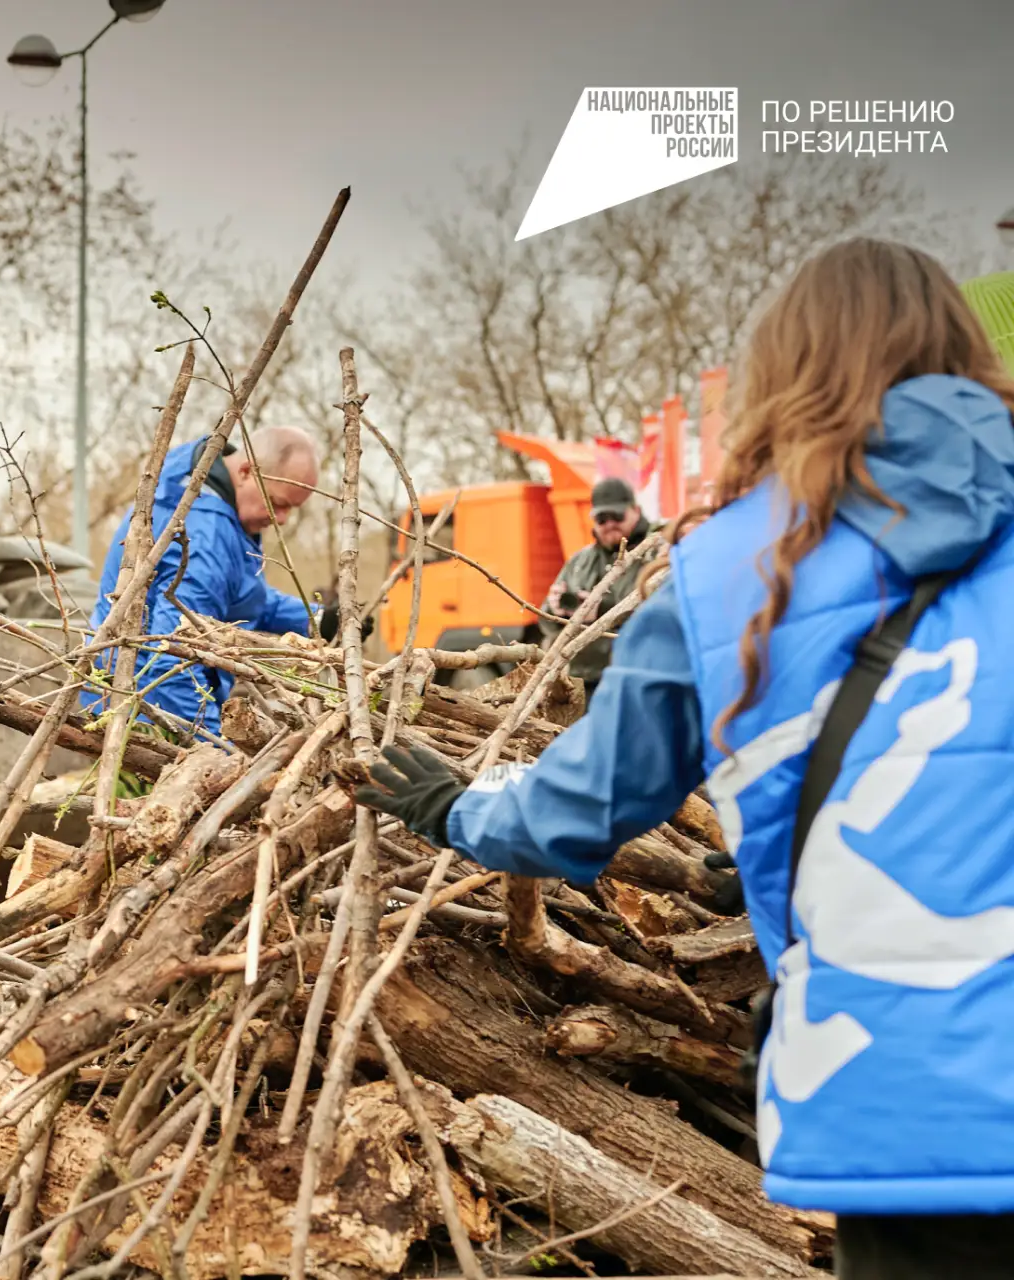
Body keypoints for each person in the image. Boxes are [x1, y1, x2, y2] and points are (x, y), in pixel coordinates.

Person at [353, 238, 1014, 1278]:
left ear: (788, 373)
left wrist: (452, 807)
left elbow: (577, 810)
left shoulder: (731, 567)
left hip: (903, 1109)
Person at [85, 426, 331, 738]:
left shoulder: (208, 493)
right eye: (277, 503)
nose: (282, 518)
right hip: (142, 710)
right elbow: (171, 659)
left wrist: (317, 619)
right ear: (246, 471)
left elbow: (239, 596)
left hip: (130, 694)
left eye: (291, 509)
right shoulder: (206, 535)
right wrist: (213, 744)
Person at [538, 476, 652, 702]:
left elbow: (662, 614)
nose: (609, 524)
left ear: (636, 510)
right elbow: (545, 621)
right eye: (601, 518)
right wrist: (555, 611)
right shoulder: (579, 560)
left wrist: (601, 610)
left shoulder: (657, 553)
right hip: (582, 685)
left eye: (617, 515)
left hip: (635, 680)